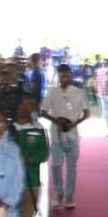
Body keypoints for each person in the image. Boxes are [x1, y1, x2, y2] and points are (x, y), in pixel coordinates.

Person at [42, 65, 88, 209]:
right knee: (55, 165)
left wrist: (74, 123)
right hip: (56, 134)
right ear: (58, 77)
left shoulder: (79, 92)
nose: (64, 79)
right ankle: (58, 192)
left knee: (71, 167)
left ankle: (69, 196)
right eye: (62, 76)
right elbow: (43, 111)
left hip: (72, 134)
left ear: (71, 76)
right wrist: (56, 121)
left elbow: (86, 113)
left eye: (67, 76)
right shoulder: (51, 92)